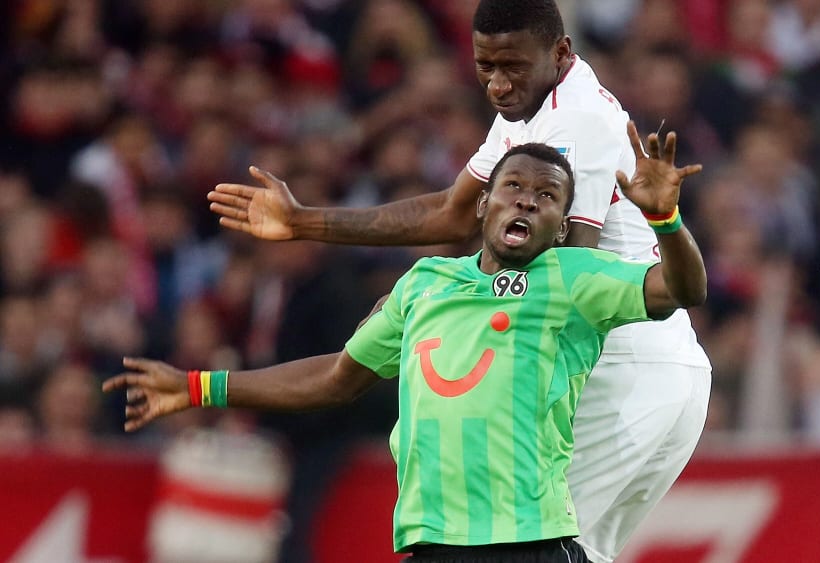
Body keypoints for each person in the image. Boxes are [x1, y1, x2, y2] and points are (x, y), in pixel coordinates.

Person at [207, 1, 712, 561]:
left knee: (529, 547)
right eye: (485, 66)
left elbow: (563, 267)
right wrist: (305, 222)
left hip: (626, 370)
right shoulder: (530, 104)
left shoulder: (577, 122)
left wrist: (439, 297)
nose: (497, 85)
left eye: (511, 67)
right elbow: (453, 213)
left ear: (560, 52)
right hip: (656, 369)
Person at [106, 123, 703, 562]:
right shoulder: (424, 284)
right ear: (484, 204)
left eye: (547, 196)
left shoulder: (575, 278)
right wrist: (199, 387)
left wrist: (666, 221)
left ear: (562, 224)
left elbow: (682, 288)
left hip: (530, 542)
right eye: (513, 185)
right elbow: (336, 376)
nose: (526, 198)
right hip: (431, 541)